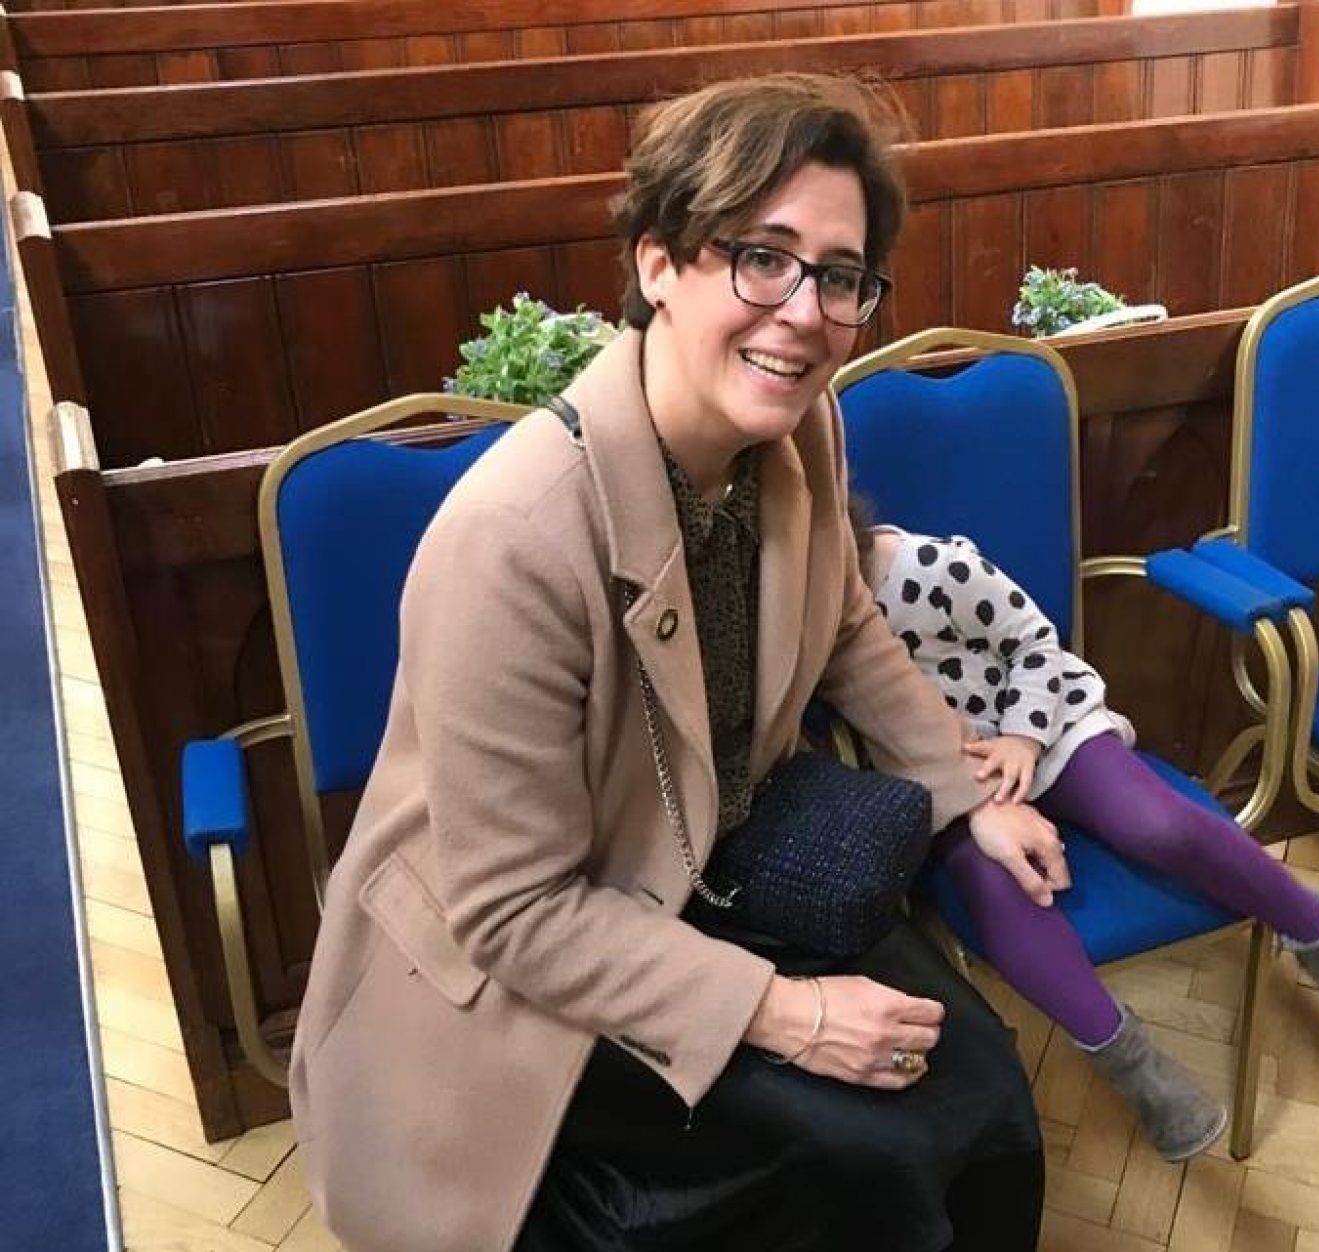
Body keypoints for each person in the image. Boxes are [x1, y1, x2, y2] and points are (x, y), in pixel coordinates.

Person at [290, 74, 1052, 1252]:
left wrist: (961, 794)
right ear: (658, 262)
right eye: (762, 256)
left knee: (985, 1095)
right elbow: (517, 910)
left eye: (839, 276)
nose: (802, 312)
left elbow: (846, 619)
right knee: (864, 1162)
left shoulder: (803, 423)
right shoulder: (516, 536)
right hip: (524, 970)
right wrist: (789, 1016)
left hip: (709, 861)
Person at [851, 514, 1319, 1161]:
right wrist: (963, 792)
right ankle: (1133, 1066)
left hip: (1043, 728)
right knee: (998, 892)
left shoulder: (924, 568)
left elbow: (1034, 642)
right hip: (945, 783)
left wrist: (1023, 738)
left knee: (1157, 823)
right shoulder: (799, 628)